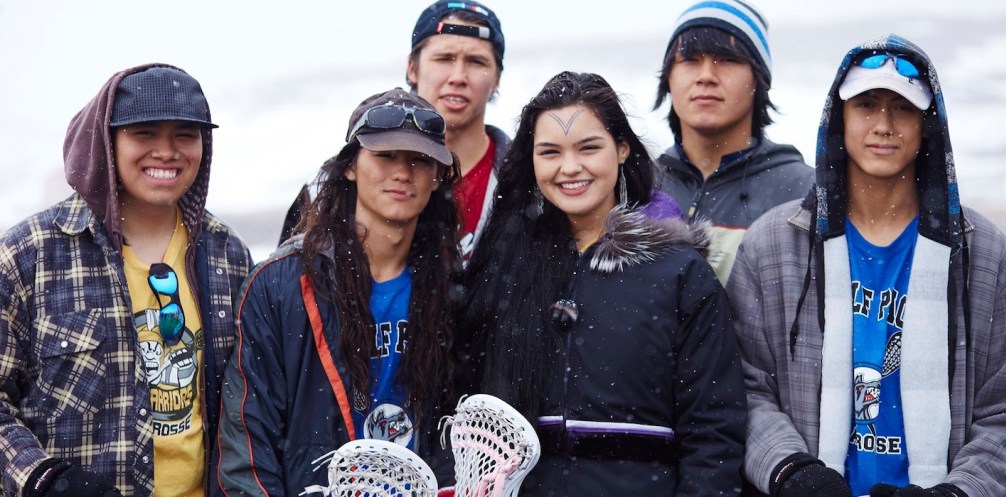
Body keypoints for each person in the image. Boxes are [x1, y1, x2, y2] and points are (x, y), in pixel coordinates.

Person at [728, 34, 1006, 497]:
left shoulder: (986, 255)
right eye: (866, 104)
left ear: (928, 124)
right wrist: (793, 472)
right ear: (839, 118)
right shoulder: (771, 247)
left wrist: (959, 491)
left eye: (903, 108)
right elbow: (744, 389)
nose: (883, 124)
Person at [460, 71, 745, 497]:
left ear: (622, 149)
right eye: (550, 152)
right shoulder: (504, 268)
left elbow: (714, 430)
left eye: (589, 147)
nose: (570, 168)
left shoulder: (679, 273)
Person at [0, 64, 252, 497]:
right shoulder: (30, 255)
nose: (167, 151)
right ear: (106, 142)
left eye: (184, 135)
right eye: (145, 133)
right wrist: (44, 479)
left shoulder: (228, 256)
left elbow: (250, 404)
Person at [217, 88, 463, 496]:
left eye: (420, 160)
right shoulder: (281, 284)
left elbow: (453, 428)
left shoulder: (450, 287)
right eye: (385, 156)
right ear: (349, 167)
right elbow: (247, 440)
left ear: (437, 178)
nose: (402, 173)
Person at [279, 0, 508, 258]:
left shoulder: (527, 183)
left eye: (477, 62)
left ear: (497, 78)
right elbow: (289, 284)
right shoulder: (330, 186)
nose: (458, 76)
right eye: (444, 58)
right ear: (412, 68)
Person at [654, 0, 813, 284]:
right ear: (668, 77)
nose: (706, 76)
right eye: (690, 60)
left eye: (727, 60)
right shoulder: (639, 185)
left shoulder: (804, 192)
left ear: (759, 78)